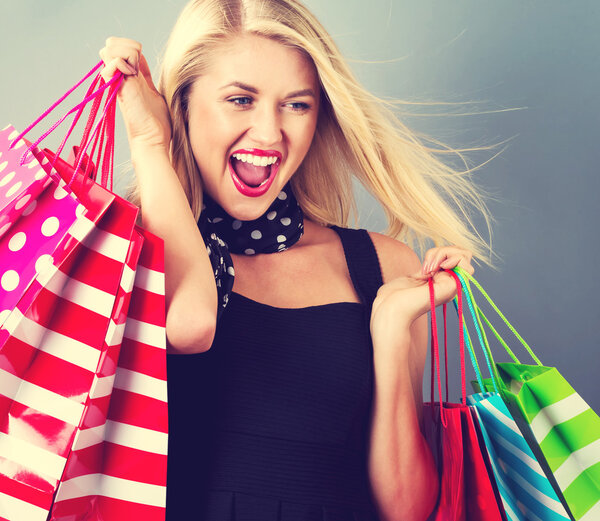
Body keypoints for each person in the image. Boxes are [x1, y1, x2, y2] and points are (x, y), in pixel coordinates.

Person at [99, 0, 487, 519]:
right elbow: (190, 325)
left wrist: (391, 328)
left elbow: (408, 511)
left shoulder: (382, 268)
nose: (268, 134)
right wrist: (150, 144)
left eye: (297, 105)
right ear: (183, 105)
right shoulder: (124, 253)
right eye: (240, 99)